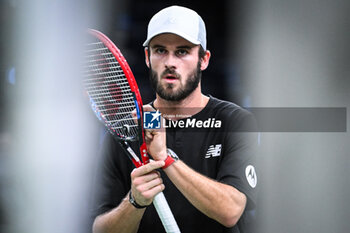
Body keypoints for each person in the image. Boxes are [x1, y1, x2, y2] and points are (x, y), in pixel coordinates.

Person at [91, 5, 258, 233]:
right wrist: (136, 202)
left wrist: (166, 160)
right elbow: (100, 229)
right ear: (147, 57)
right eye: (160, 50)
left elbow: (231, 210)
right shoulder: (125, 129)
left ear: (204, 59)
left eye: (182, 51)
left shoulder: (234, 121)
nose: (170, 61)